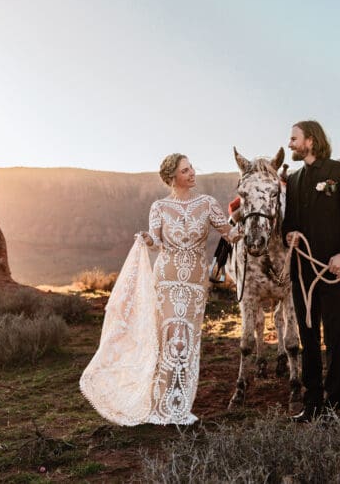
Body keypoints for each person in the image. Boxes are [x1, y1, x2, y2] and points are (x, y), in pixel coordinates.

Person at [81, 153, 241, 426]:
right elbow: (155, 240)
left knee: (185, 340)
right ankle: (158, 404)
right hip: (166, 279)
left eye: (192, 168)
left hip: (194, 283)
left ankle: (177, 405)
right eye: (185, 170)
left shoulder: (208, 204)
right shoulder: (160, 207)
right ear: (172, 178)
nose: (192, 173)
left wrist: (249, 225)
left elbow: (230, 233)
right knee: (169, 336)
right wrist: (146, 238)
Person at [283, 121, 340, 422]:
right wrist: (288, 235)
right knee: (307, 337)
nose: (290, 144)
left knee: (334, 338)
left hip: (332, 272)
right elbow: (288, 222)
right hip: (302, 273)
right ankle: (312, 404)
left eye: (294, 138)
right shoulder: (292, 180)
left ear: (311, 141)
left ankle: (333, 408)